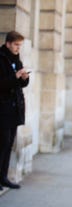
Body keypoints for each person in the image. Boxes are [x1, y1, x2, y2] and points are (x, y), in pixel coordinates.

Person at [0, 31, 30, 190]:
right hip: (3, 108)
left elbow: (20, 84)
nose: (19, 48)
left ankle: (3, 177)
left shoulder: (16, 59)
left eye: (20, 45)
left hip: (14, 108)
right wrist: (15, 76)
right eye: (16, 45)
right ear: (8, 43)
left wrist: (24, 78)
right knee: (2, 143)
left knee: (9, 143)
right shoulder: (1, 58)